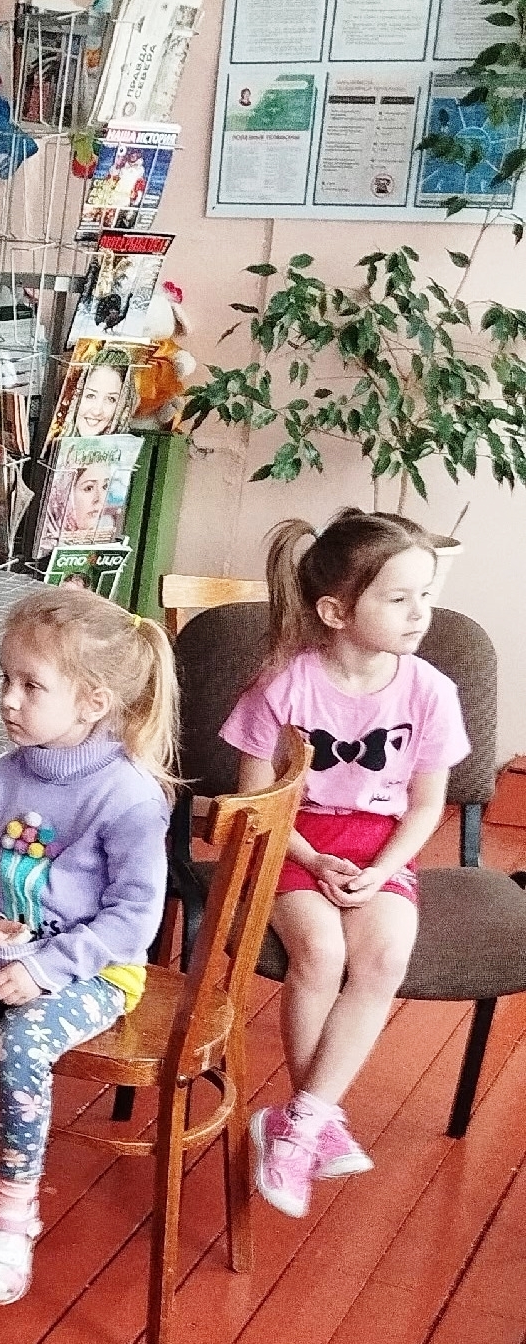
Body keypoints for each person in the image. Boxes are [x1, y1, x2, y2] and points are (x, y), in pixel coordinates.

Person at [0, 591, 175, 1305]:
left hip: (92, 969)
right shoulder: (5, 773)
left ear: (92, 702)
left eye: (30, 685)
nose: (7, 700)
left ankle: (13, 1213)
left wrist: (45, 970)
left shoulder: (129, 796)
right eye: (5, 679)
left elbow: (133, 920)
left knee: (21, 1046)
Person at [221, 512, 466, 1218]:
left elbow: (426, 805)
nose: (419, 614)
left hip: (379, 845)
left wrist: (380, 869)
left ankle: (298, 1123)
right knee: (322, 952)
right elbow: (256, 800)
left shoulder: (430, 691)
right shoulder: (283, 684)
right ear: (335, 611)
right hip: (288, 838)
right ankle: (311, 1122)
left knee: (383, 955)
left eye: (424, 595)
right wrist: (309, 855)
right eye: (398, 598)